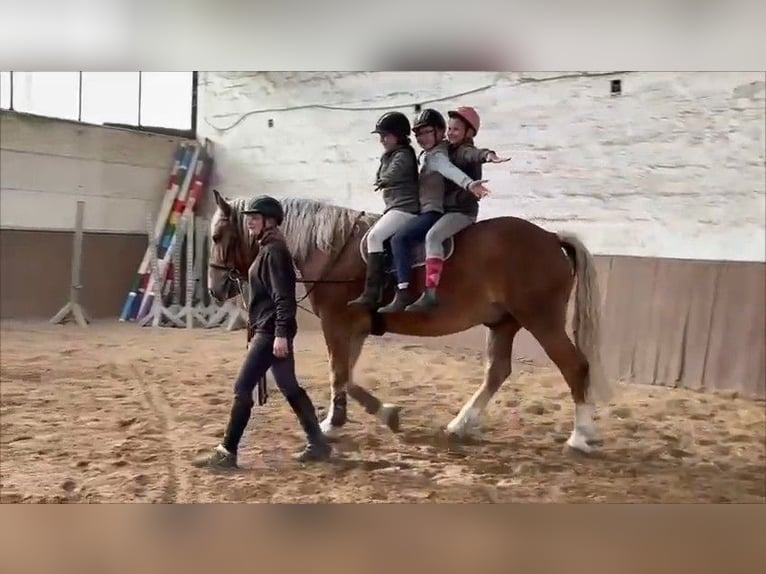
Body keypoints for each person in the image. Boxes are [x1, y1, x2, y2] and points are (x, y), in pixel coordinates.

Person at [193, 195, 332, 469]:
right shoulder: (268, 248)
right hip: (270, 328)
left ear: (269, 221)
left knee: (242, 387)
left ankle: (227, 452)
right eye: (248, 219)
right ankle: (318, 444)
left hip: (270, 332)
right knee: (289, 386)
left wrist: (280, 334)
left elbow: (284, 298)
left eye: (254, 219)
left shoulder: (273, 251)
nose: (249, 224)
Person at [378, 108, 490, 313]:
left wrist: (472, 181)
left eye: (427, 132)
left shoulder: (441, 154)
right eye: (418, 134)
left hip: (448, 211)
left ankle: (416, 291)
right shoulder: (430, 153)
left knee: (417, 237)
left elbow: (454, 167)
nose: (421, 138)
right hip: (436, 209)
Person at [405, 106, 511, 312]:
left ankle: (430, 293)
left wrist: (489, 156)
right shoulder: (447, 149)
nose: (450, 133)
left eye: (456, 130)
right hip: (447, 209)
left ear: (469, 133)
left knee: (433, 237)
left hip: (461, 212)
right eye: (449, 129)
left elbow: (474, 155)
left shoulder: (463, 151)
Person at [347, 111, 421, 310]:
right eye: (381, 136)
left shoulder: (404, 154)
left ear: (398, 135)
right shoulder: (388, 156)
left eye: (385, 135)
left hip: (406, 209)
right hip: (393, 208)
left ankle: (372, 293)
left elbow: (392, 173)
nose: (382, 140)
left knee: (374, 238)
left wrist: (384, 180)